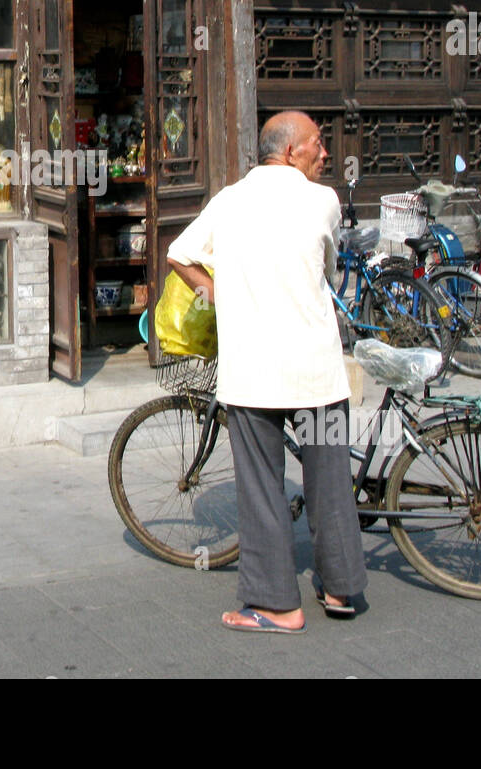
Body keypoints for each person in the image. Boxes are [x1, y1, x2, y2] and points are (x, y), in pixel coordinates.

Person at [166, 111, 367, 633]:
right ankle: (341, 588)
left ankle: (278, 603)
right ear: (290, 153)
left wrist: (213, 290)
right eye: (318, 145)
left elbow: (178, 253)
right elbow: (325, 271)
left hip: (254, 373)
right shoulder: (323, 202)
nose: (326, 154)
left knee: (261, 485)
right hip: (318, 371)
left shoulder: (229, 201)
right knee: (330, 481)